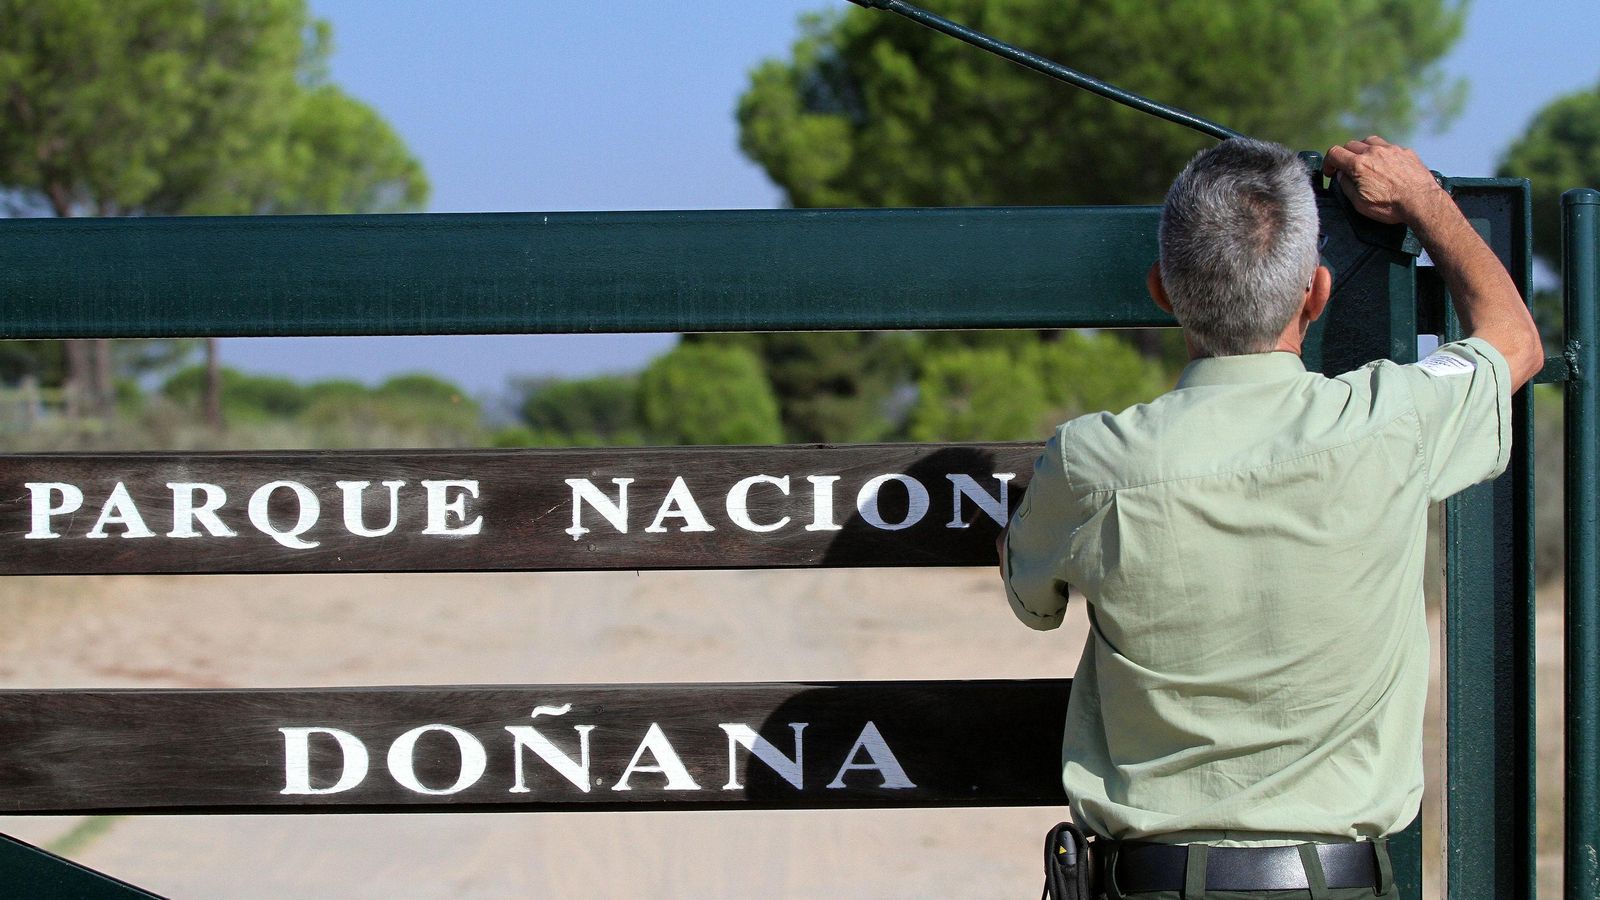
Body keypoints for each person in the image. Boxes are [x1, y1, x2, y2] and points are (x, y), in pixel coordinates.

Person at [1000, 135, 1543, 900]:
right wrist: (1422, 199)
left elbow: (1032, 604)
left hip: (1148, 882)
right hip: (1338, 883)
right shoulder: (1393, 422)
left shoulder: (1092, 460)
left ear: (1162, 290)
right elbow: (1514, 342)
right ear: (1315, 294)